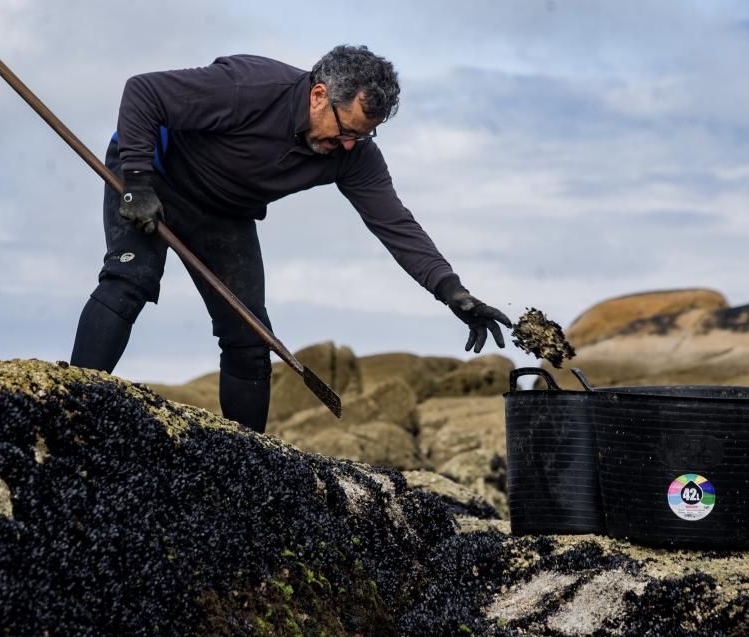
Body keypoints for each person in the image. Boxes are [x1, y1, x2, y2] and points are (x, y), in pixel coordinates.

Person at [71, 45, 512, 433]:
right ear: (318, 95)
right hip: (154, 174)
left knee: (249, 334)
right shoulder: (251, 86)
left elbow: (395, 224)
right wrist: (135, 181)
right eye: (346, 130)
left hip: (224, 213)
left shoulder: (353, 155)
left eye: (363, 135)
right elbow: (143, 93)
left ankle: (245, 462)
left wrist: (451, 291)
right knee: (131, 278)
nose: (349, 145)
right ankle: (72, 407)